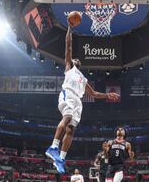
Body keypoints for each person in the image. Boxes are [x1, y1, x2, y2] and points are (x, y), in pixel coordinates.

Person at [45, 20, 120, 174]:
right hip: (68, 95)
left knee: (71, 129)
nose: (76, 59)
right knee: (67, 117)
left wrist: (107, 94)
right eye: (74, 59)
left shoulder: (83, 78)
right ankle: (53, 147)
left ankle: (61, 158)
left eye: (77, 60)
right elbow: (68, 46)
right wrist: (69, 29)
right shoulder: (69, 67)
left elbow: (93, 94)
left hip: (78, 101)